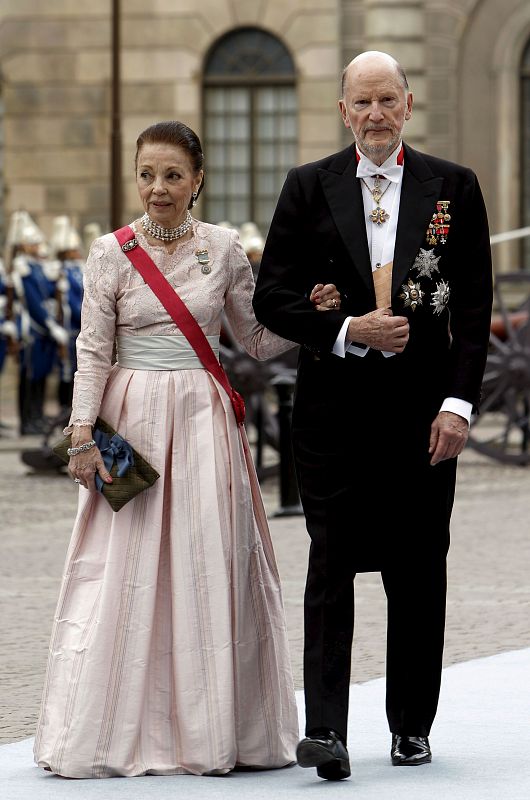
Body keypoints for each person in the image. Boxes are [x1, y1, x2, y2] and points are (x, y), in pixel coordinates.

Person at [33, 120, 341, 778]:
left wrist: (310, 317)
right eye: (147, 174)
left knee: (206, 563)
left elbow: (254, 340)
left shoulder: (225, 249)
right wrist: (82, 432)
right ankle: (117, 725)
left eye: (173, 175)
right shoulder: (109, 252)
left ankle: (209, 730)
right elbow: (92, 350)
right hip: (128, 420)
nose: (158, 188)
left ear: (198, 180)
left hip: (203, 425)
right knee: (120, 569)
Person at [253, 51, 493, 779]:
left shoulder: (452, 186)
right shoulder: (306, 188)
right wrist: (348, 330)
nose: (376, 114)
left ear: (408, 106)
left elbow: (476, 308)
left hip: (424, 420)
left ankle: (411, 725)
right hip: (331, 418)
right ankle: (325, 729)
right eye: (363, 102)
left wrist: (458, 405)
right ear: (344, 111)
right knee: (329, 567)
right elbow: (272, 298)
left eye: (388, 100)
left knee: (418, 570)